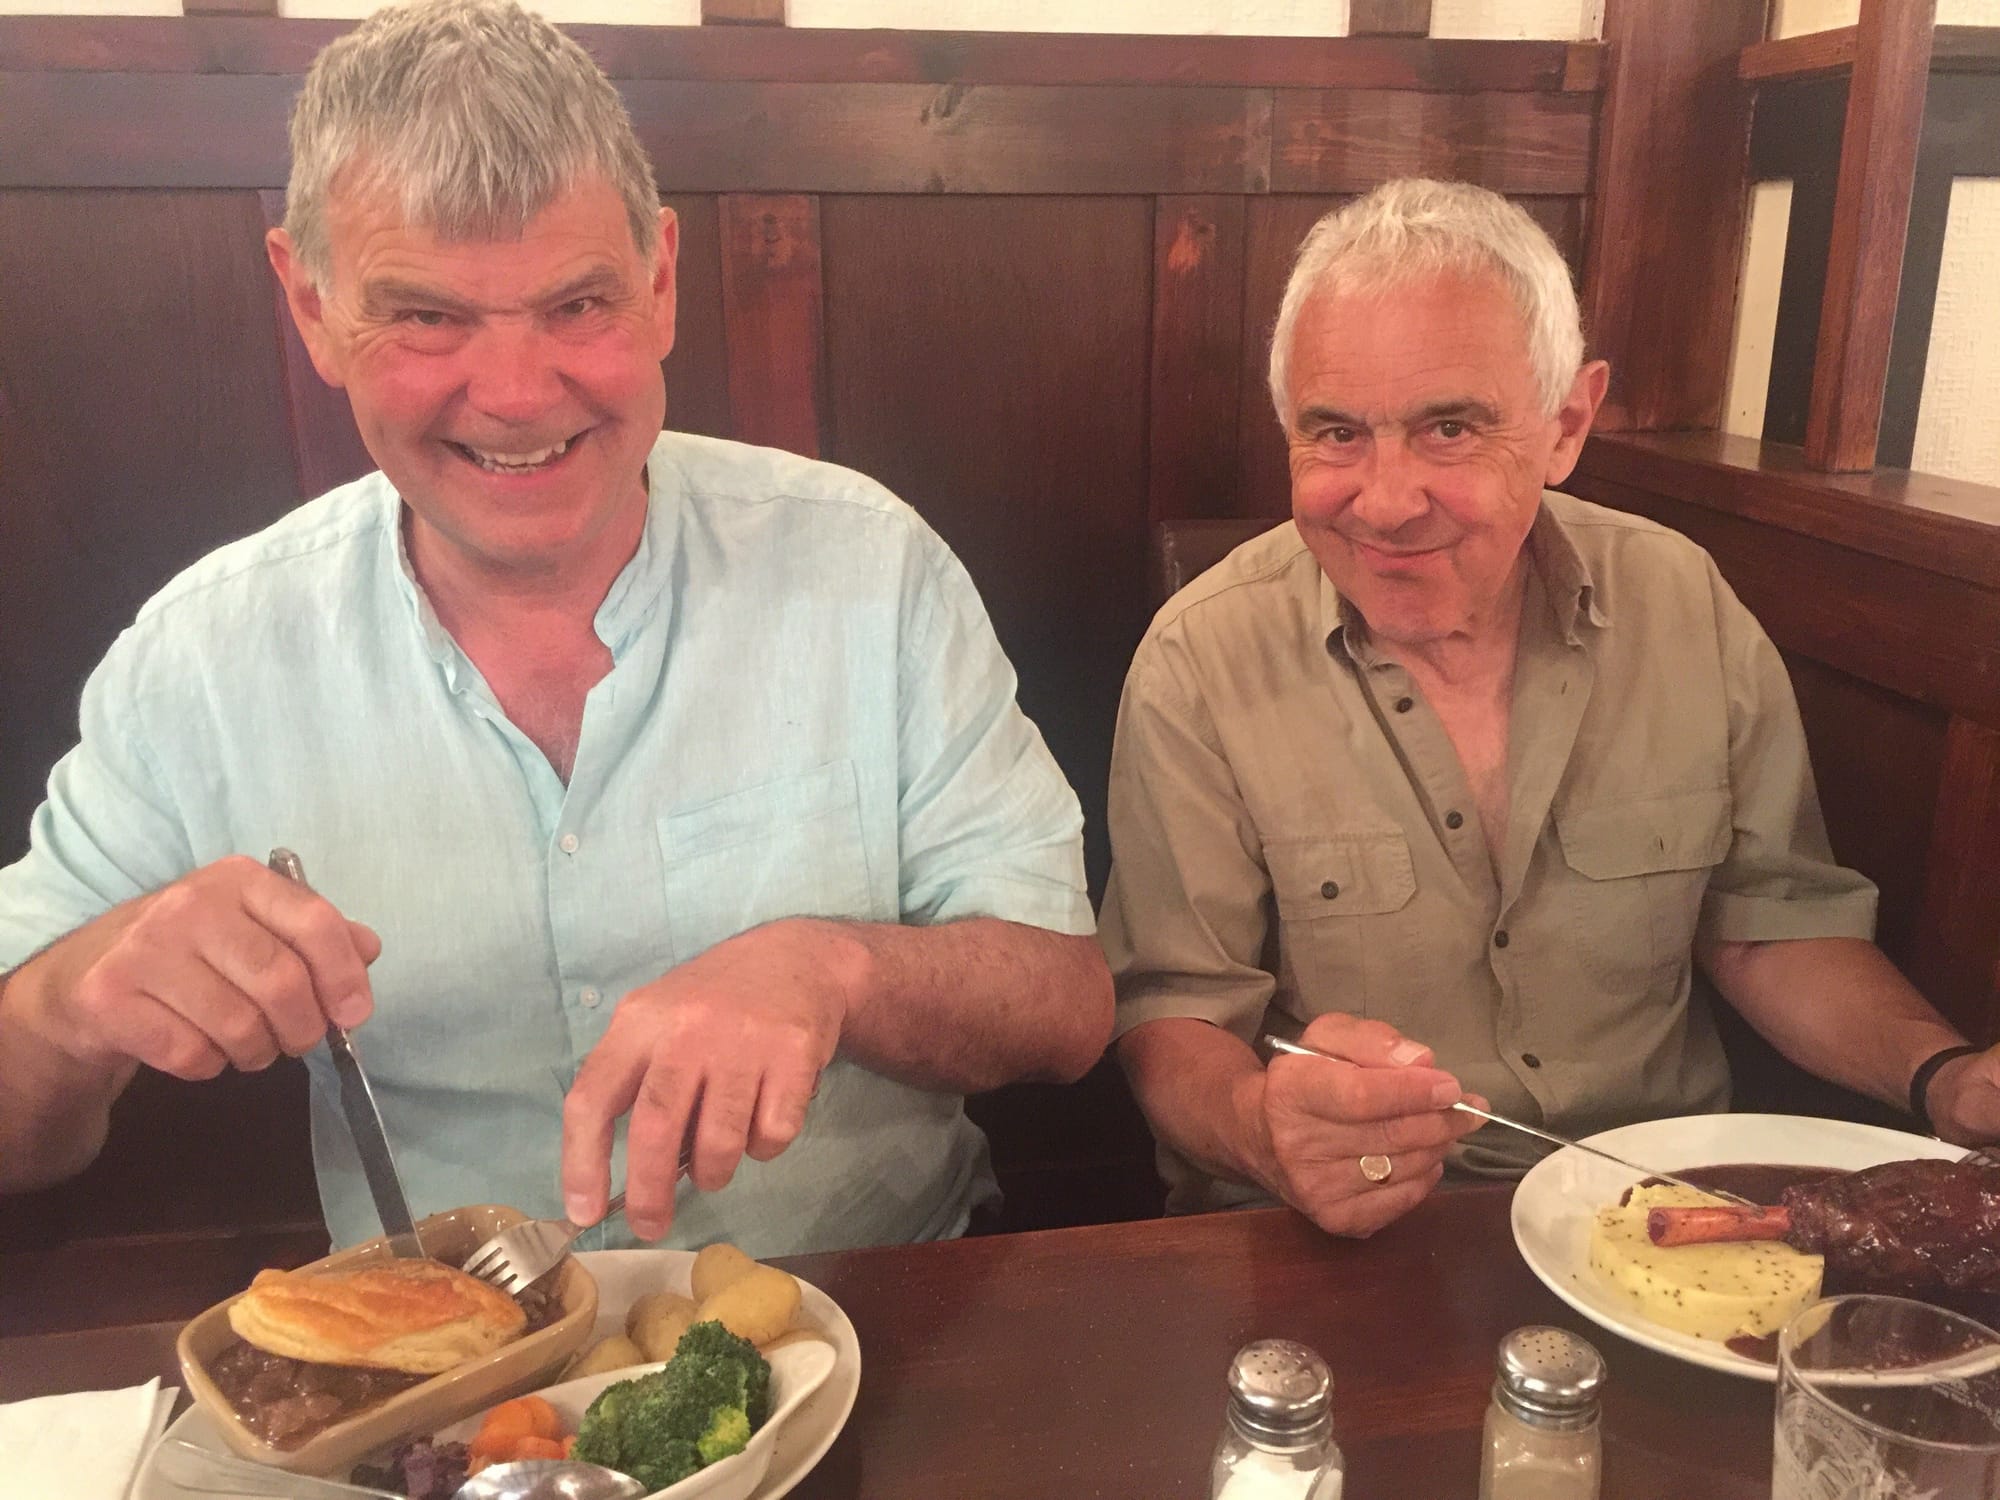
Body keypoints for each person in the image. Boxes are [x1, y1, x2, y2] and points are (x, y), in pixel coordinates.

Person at [0, 0, 1112, 1256]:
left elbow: (1065, 1007)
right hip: (436, 1351)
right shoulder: (203, 657)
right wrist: (66, 1007)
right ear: (310, 306)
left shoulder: (866, 564)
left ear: (660, 281)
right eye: (426, 316)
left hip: (874, 1311)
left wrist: (832, 971)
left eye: (579, 304)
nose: (519, 396)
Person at [1098, 177, 2000, 1239]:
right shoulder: (1200, 658)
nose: (1383, 502)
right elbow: (1173, 1015)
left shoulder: (1681, 602)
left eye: (1448, 428)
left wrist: (1942, 1076)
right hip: (1358, 1238)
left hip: (1668, 1215)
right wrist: (1264, 1131)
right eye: (1334, 433)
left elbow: (1769, 928)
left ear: (1566, 423)